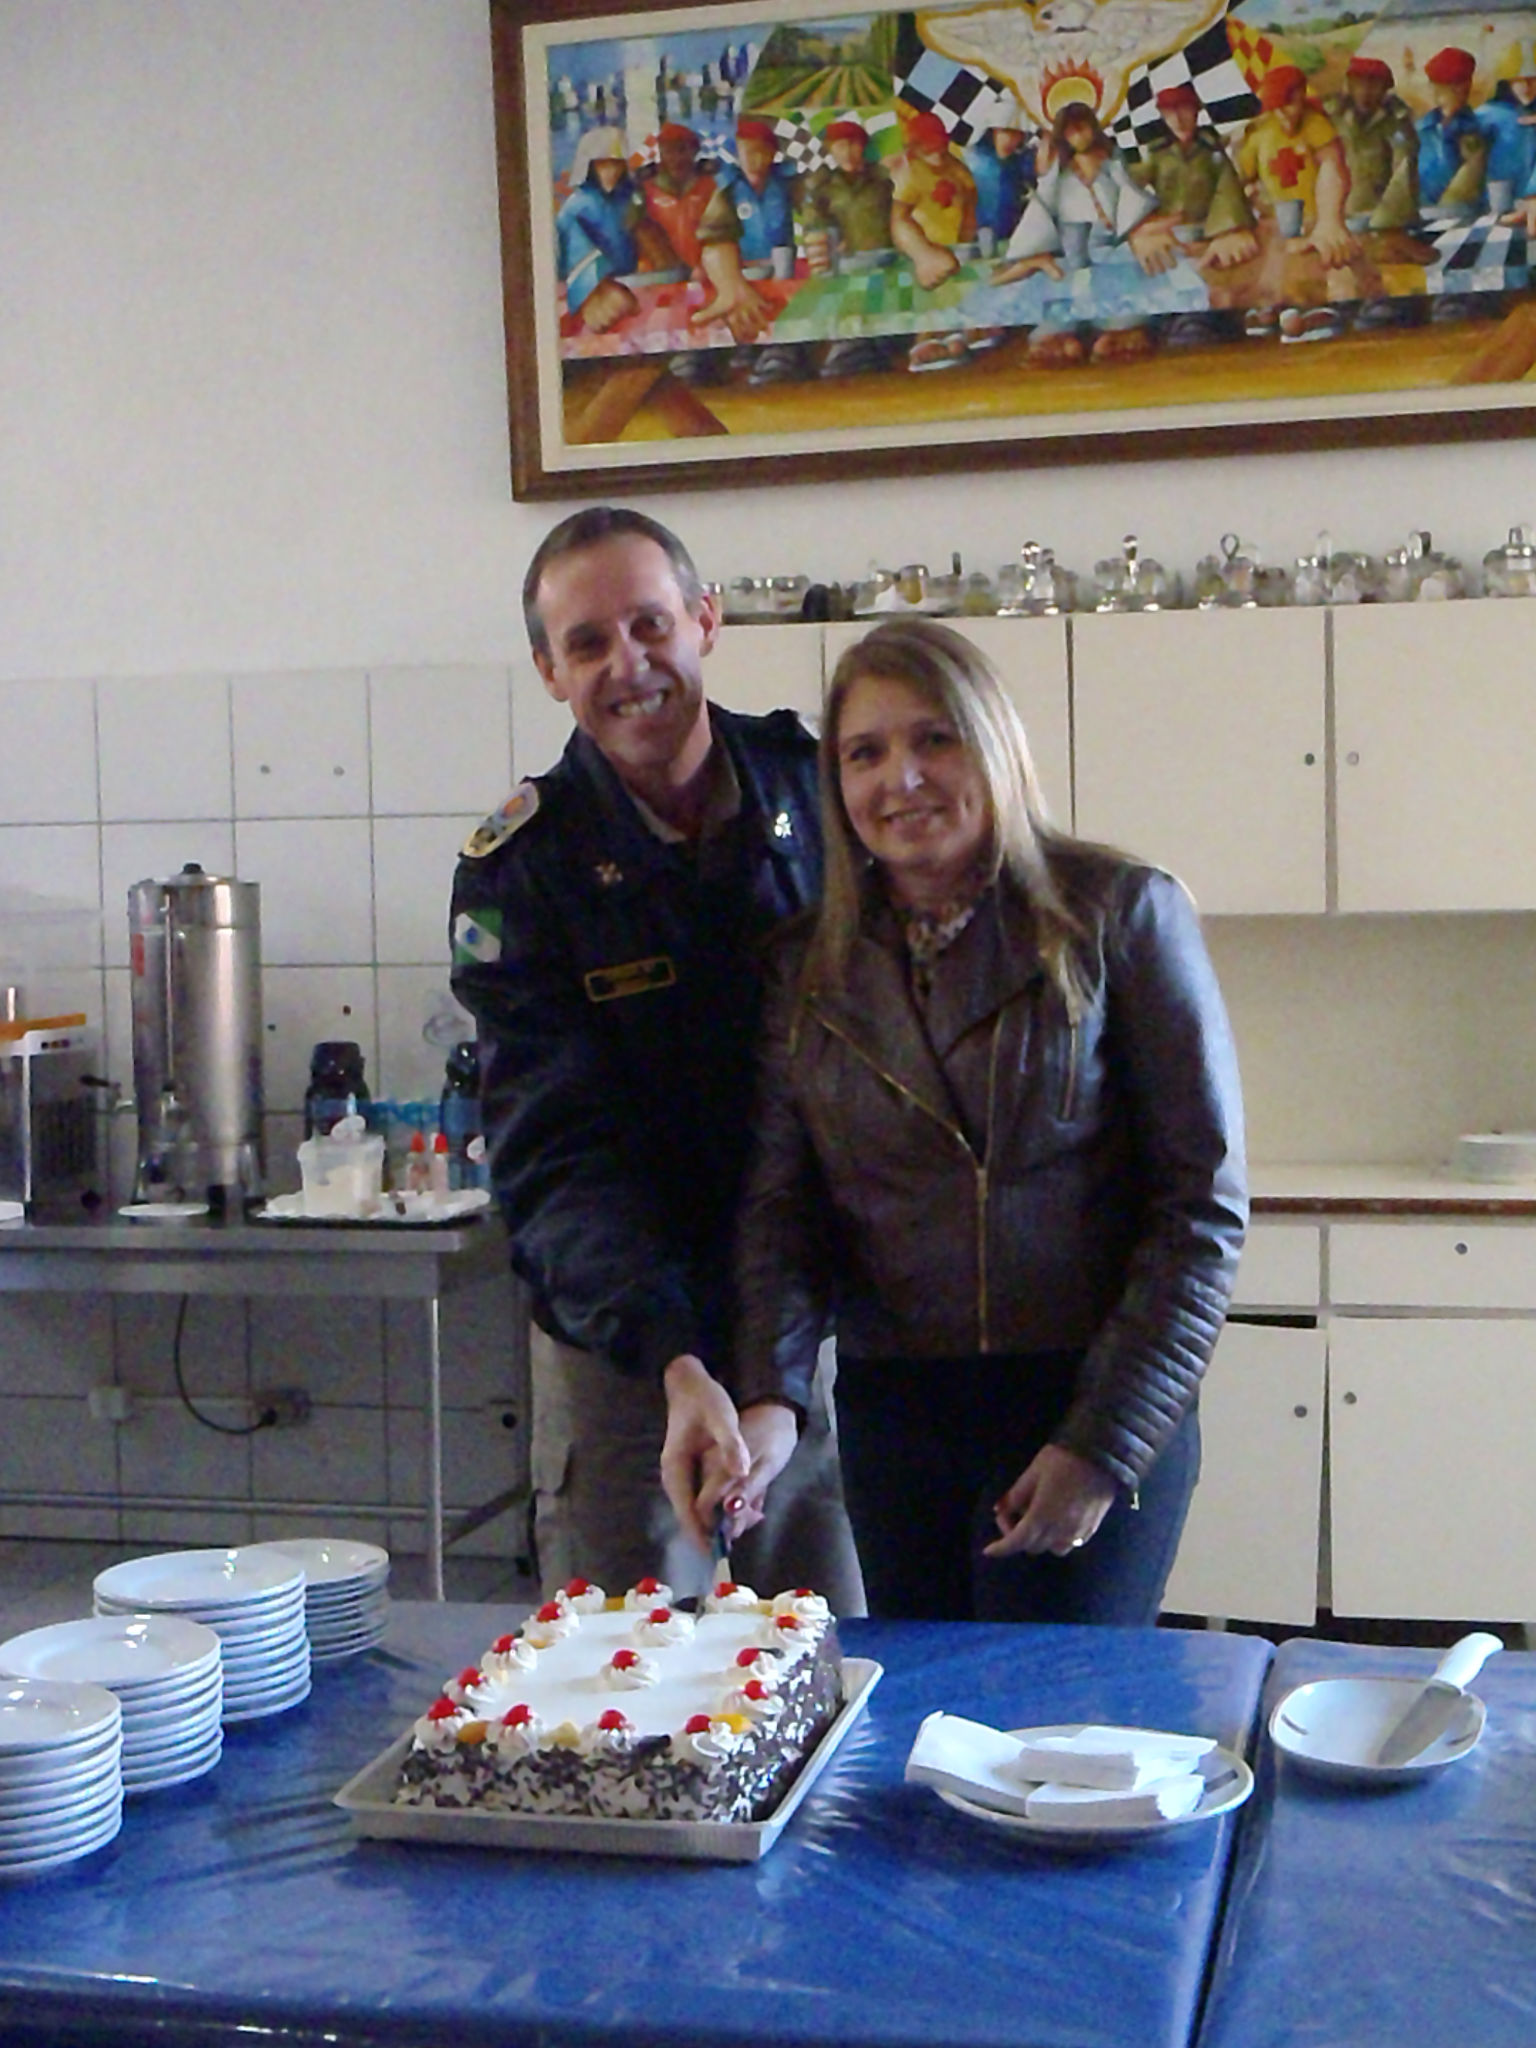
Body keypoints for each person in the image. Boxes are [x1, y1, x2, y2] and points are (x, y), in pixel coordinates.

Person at [703, 617, 1246, 1623]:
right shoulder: (807, 966)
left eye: (934, 738)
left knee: (1058, 1709)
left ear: (992, 744)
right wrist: (772, 1397)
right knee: (926, 1702)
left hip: (1083, 1398)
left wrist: (1103, 1444)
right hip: (895, 1417)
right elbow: (784, 1210)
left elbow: (1200, 1211)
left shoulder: (1120, 913)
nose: (900, 778)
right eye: (865, 752)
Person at [450, 506, 862, 1611]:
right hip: (623, 1333)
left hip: (805, 1314)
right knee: (622, 1654)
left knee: (826, 1635)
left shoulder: (817, 793)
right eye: (587, 643)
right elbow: (556, 1154)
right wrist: (673, 1356)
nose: (627, 664)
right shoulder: (522, 869)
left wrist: (779, 1361)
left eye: (650, 624)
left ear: (706, 621)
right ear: (549, 671)